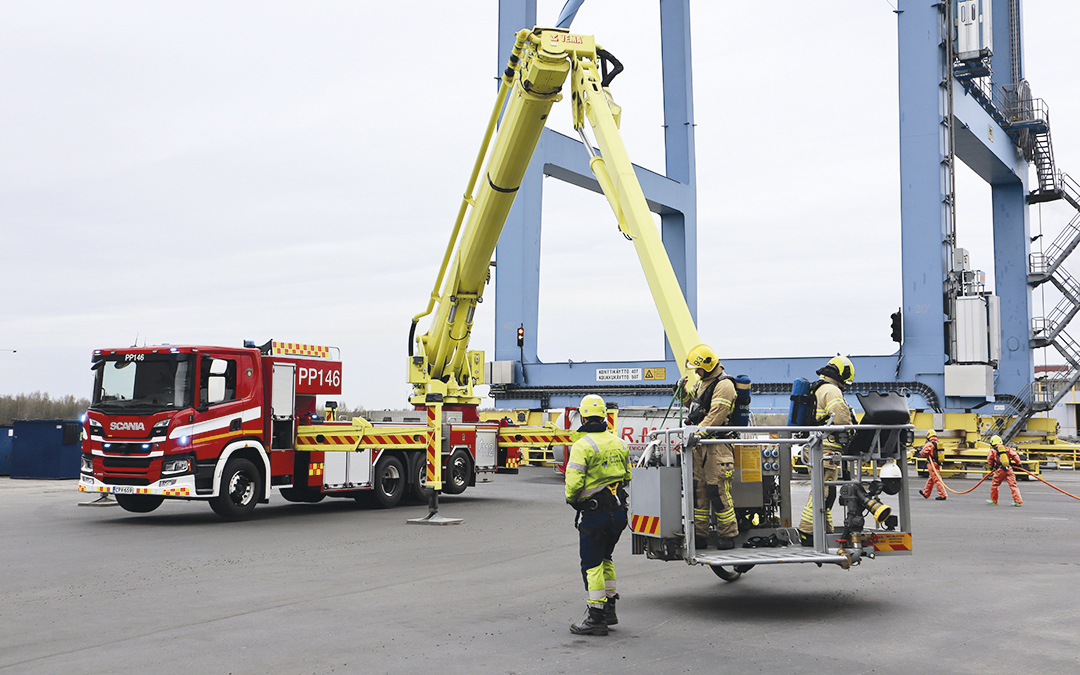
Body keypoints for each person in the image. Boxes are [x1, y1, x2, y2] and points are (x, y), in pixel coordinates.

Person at [565, 394, 632, 636]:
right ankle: (610, 609)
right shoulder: (619, 442)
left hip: (595, 514)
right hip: (618, 513)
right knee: (606, 558)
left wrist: (573, 500)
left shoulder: (582, 445)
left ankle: (596, 618)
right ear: (604, 415)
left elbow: (573, 483)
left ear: (582, 416)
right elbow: (627, 476)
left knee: (591, 564)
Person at [674, 343, 737, 550]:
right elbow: (694, 406)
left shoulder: (724, 385)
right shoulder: (702, 384)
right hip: (700, 444)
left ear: (709, 365)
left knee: (716, 490)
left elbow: (716, 416)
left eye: (699, 369)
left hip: (716, 446)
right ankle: (700, 535)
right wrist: (682, 393)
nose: (697, 373)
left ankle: (727, 535)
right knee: (698, 491)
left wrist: (696, 433)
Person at [798, 355, 855, 546]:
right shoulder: (832, 391)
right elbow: (841, 420)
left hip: (818, 448)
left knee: (824, 491)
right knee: (823, 492)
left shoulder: (820, 388)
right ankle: (807, 531)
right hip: (826, 449)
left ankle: (824, 528)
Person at [986, 435, 1023, 506]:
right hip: (1008, 468)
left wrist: (992, 466)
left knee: (995, 484)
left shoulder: (992, 451)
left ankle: (994, 500)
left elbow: (989, 460)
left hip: (999, 470)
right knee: (1013, 485)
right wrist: (1019, 464)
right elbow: (1015, 455)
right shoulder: (1007, 449)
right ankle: (1018, 501)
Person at [919, 431, 947, 500]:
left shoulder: (929, 444)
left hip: (932, 464)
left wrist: (921, 452)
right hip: (937, 463)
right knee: (931, 479)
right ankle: (926, 493)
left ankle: (942, 494)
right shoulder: (937, 442)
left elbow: (923, 453)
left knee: (936, 479)